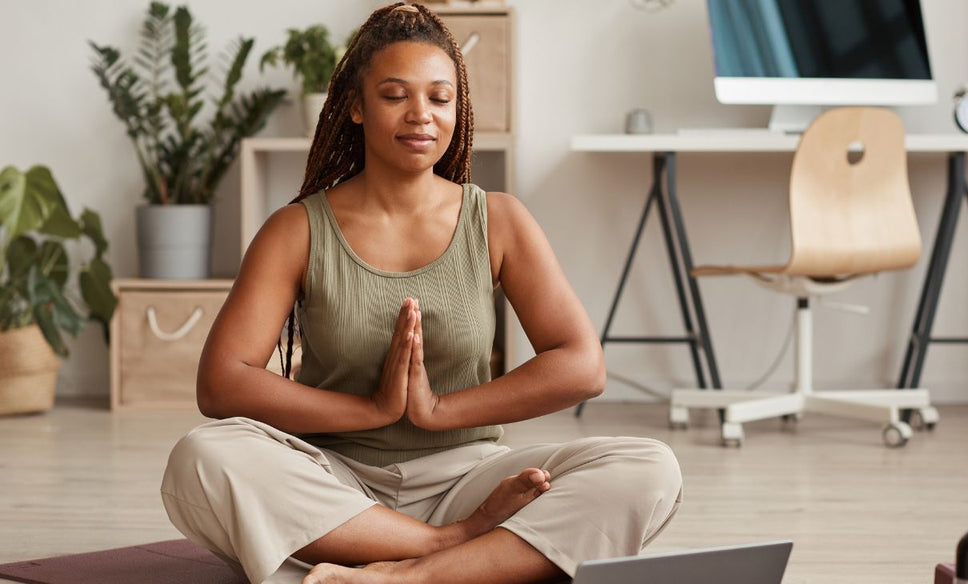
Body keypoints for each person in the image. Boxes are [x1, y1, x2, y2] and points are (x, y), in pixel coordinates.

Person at [160, 3, 683, 583]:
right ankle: (454, 551)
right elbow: (222, 380)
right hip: (335, 485)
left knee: (648, 467)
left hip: (470, 479)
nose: (421, 116)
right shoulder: (297, 229)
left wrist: (438, 411)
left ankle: (399, 577)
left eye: (439, 98)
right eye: (394, 95)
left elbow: (582, 365)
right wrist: (370, 410)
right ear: (356, 106)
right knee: (202, 457)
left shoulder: (500, 220)